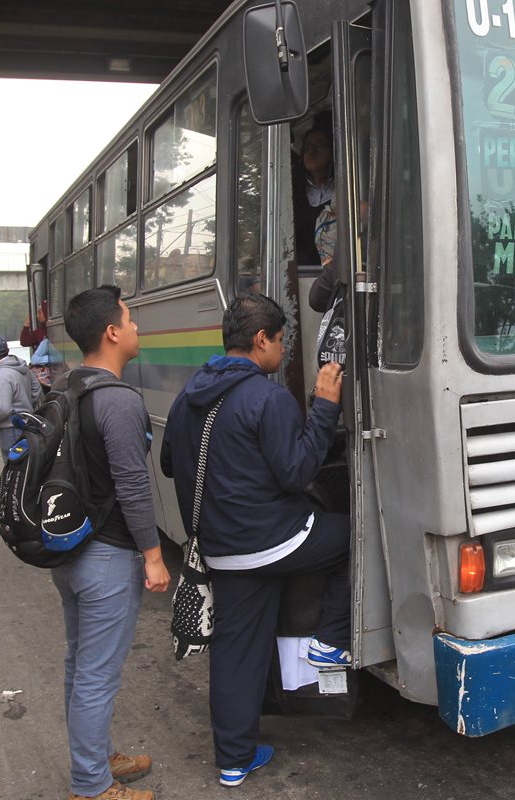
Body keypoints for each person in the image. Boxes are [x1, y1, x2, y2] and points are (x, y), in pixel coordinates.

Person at [160, 292, 350, 788]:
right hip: (275, 542)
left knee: (235, 651)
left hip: (222, 551)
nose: (284, 351)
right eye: (282, 340)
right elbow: (297, 471)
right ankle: (330, 642)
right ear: (261, 339)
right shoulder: (267, 397)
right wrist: (325, 407)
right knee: (355, 537)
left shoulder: (188, 396)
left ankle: (234, 759)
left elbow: (167, 463)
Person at [53, 285, 169, 800]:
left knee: (80, 665)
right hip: (108, 555)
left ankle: (96, 758)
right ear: (112, 332)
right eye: (131, 319)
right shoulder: (118, 400)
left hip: (70, 549)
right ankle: (92, 785)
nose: (138, 328)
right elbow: (133, 486)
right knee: (96, 674)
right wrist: (153, 556)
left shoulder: (66, 388)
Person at [293, 113, 334, 268]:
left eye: (320, 145)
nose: (312, 151)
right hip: (301, 274)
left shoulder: (345, 190)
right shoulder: (292, 193)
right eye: (308, 146)